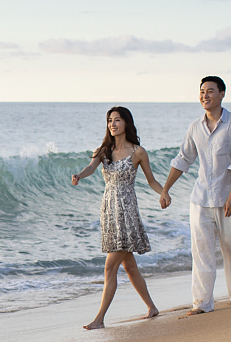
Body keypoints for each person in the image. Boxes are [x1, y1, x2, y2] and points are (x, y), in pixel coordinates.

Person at [158, 75, 231, 315]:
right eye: (202, 92)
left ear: (222, 94)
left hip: (230, 199)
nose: (205, 96)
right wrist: (166, 189)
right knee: (201, 252)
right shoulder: (195, 127)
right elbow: (183, 159)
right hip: (200, 199)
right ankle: (202, 303)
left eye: (210, 91)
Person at [70, 105, 164, 329]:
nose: (112, 124)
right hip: (109, 212)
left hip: (127, 211)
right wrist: (79, 176)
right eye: (110, 120)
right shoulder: (103, 150)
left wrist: (164, 193)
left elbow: (151, 180)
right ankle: (152, 307)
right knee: (129, 266)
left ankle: (100, 318)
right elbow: (91, 167)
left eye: (117, 120)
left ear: (126, 123)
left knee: (110, 267)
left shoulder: (138, 152)